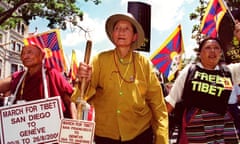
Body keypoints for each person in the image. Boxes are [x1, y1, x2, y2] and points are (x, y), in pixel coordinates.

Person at [74, 13, 168, 143]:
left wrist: (161, 138)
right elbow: (80, 98)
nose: (121, 32)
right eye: (117, 28)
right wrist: (84, 79)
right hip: (105, 135)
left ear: (134, 36)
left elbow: (158, 105)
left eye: (126, 29)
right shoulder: (99, 60)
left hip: (140, 133)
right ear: (113, 35)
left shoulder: (144, 63)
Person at [165, 37, 240, 143]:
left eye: (216, 48)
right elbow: (171, 101)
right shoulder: (189, 71)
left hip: (224, 128)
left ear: (220, 52)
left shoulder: (229, 71)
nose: (212, 51)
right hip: (197, 128)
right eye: (208, 48)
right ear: (200, 53)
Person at [0, 43, 76, 118]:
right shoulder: (18, 76)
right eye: (22, 53)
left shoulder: (52, 73)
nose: (25, 56)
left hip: (51, 125)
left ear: (41, 56)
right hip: (23, 124)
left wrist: (74, 124)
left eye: (30, 52)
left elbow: (70, 100)